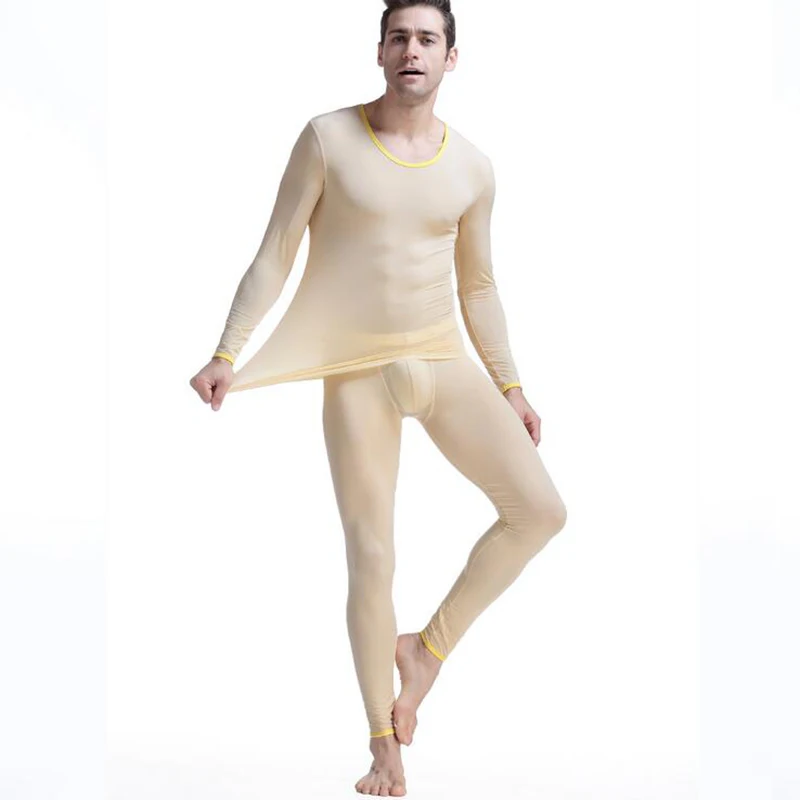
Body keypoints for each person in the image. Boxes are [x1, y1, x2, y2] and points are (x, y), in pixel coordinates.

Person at [189, 0, 567, 794]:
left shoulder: (473, 168)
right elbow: (275, 253)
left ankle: (424, 653)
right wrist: (227, 351)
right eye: (399, 37)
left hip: (441, 359)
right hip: (355, 368)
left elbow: (479, 285)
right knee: (371, 554)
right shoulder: (327, 138)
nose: (411, 51)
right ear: (379, 51)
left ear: (451, 58)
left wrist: (510, 385)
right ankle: (382, 745)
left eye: (428, 39)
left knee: (539, 512)